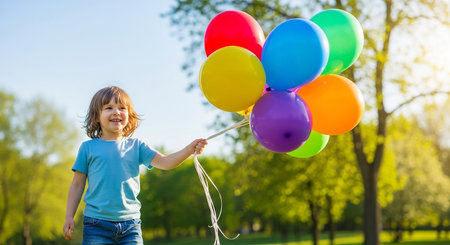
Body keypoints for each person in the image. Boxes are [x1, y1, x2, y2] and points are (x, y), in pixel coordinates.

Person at [63, 86, 207, 244]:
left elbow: (166, 163)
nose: (117, 112)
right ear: (96, 116)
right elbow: (77, 185)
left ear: (129, 115)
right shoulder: (87, 148)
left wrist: (188, 150)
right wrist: (69, 216)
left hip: (130, 226)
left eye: (122, 108)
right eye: (109, 108)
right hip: (96, 224)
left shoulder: (137, 146)